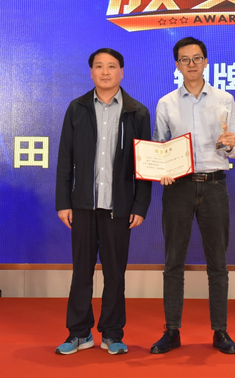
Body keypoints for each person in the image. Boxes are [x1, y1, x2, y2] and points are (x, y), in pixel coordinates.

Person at [55, 48, 152, 355]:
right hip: (83, 206)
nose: (106, 72)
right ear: (91, 72)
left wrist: (139, 206)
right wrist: (63, 202)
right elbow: (65, 159)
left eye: (111, 66)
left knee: (115, 274)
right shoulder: (77, 108)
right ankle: (79, 333)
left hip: (118, 209)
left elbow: (144, 164)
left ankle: (112, 333)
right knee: (81, 272)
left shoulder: (137, 112)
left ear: (122, 71)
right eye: (99, 66)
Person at [150, 37, 235, 355]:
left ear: (206, 61)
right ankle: (171, 330)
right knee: (173, 261)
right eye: (185, 59)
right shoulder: (166, 103)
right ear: (177, 65)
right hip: (178, 187)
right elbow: (158, 147)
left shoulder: (224, 99)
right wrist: (161, 167)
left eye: (197, 58)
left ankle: (220, 331)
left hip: (214, 185)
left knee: (218, 263)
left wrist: (231, 144)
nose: (191, 64)